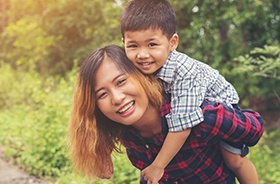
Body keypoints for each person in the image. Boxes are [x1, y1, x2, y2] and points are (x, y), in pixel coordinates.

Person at [68, 44, 264, 184]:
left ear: (141, 76)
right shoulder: (124, 129)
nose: (117, 98)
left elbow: (255, 128)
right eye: (102, 94)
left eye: (121, 82)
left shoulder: (200, 116)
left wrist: (229, 127)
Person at [120, 0, 264, 183]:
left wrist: (158, 166)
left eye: (152, 45)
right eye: (133, 46)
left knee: (233, 160)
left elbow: (182, 126)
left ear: (172, 43)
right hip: (187, 112)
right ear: (124, 43)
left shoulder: (184, 73)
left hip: (219, 103)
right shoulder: (133, 67)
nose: (142, 54)